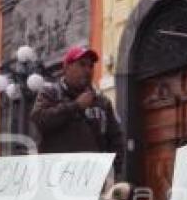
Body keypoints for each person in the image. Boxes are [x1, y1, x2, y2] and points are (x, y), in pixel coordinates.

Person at [31, 45, 124, 175]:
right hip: (57, 177)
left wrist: (113, 170)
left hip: (92, 177)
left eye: (91, 66)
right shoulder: (51, 93)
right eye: (82, 64)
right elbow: (40, 119)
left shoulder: (102, 102)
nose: (87, 70)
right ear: (67, 67)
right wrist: (76, 106)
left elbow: (116, 139)